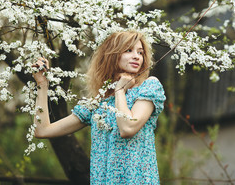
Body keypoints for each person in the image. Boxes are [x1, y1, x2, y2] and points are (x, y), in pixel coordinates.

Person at [32, 30, 166, 184]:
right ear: (111, 55)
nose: (136, 56)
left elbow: (128, 128)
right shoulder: (97, 103)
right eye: (128, 50)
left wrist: (120, 91)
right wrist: (42, 85)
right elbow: (42, 130)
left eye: (140, 52)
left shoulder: (149, 87)